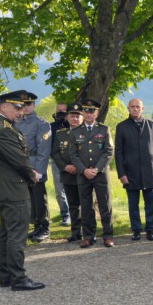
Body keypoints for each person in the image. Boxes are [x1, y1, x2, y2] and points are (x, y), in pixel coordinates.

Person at [0, 90, 44, 291]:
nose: (20, 112)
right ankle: (18, 278)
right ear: (4, 107)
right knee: (17, 236)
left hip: (5, 190)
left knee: (6, 234)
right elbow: (19, 160)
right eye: (16, 107)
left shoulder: (3, 126)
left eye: (22, 108)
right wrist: (33, 175)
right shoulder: (3, 129)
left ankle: (6, 276)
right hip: (13, 190)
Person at [115, 98, 153, 241]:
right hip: (130, 173)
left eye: (138, 107)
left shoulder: (151, 125)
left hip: (149, 171)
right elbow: (118, 152)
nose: (135, 109)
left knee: (150, 204)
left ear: (143, 109)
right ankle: (136, 230)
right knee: (133, 204)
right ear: (128, 109)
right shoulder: (121, 127)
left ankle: (150, 230)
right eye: (132, 107)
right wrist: (121, 174)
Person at [70, 98, 115, 248]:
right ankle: (88, 236)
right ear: (83, 112)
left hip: (100, 174)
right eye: (86, 111)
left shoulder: (104, 129)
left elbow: (109, 151)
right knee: (86, 206)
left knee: (105, 205)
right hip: (83, 175)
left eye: (92, 111)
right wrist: (84, 170)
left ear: (97, 113)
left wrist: (97, 169)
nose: (89, 114)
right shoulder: (75, 131)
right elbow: (73, 154)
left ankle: (108, 236)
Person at [15, 92, 53, 243]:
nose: (25, 107)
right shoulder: (17, 123)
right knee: (28, 198)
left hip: (35, 165)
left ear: (34, 105)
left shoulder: (41, 124)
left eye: (28, 104)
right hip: (22, 165)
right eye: (22, 105)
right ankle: (36, 226)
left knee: (39, 198)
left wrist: (39, 171)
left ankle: (44, 227)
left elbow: (43, 150)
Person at [51, 103, 85, 243]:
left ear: (82, 118)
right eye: (72, 116)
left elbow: (92, 154)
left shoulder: (88, 132)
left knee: (86, 203)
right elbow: (55, 153)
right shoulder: (61, 134)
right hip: (68, 173)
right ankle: (75, 232)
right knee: (73, 205)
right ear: (67, 117)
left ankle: (88, 232)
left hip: (84, 174)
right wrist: (65, 167)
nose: (75, 119)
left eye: (78, 116)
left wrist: (80, 167)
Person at [49, 102, 71, 227]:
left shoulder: (73, 124)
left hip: (72, 163)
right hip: (57, 162)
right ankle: (65, 214)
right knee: (59, 191)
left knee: (72, 189)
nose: (61, 113)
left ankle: (75, 213)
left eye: (64, 111)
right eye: (59, 111)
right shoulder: (52, 126)